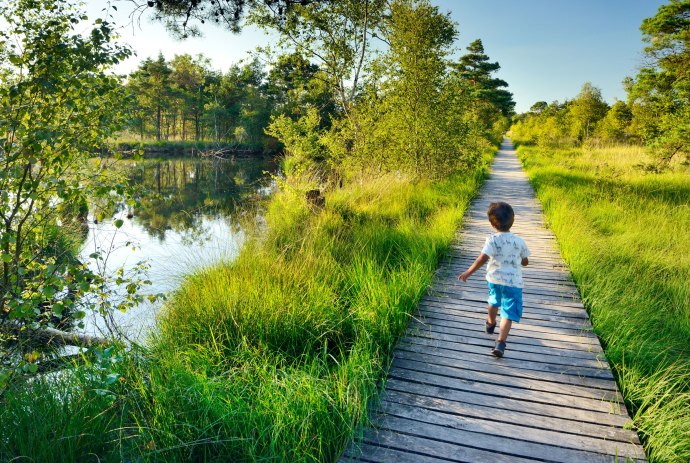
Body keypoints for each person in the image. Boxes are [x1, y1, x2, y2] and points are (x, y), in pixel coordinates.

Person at [458, 202, 530, 357]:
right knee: (508, 313)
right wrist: (521, 261)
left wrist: (468, 272)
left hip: (494, 279)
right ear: (513, 220)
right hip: (513, 284)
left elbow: (482, 258)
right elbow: (525, 261)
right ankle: (500, 343)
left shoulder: (492, 240)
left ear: (491, 223)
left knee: (493, 301)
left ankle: (490, 322)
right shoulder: (519, 241)